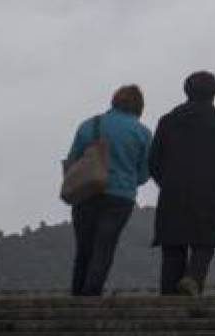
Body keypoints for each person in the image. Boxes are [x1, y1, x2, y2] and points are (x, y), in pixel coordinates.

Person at [148, 70, 215, 295]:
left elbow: (153, 160)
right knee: (205, 242)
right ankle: (193, 277)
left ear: (186, 91)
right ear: (214, 93)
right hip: (210, 193)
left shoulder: (168, 120)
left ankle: (168, 300)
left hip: (173, 192)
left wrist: (167, 182)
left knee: (173, 248)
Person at [65, 84, 152, 297]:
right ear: (139, 108)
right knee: (105, 245)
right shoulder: (142, 133)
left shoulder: (89, 125)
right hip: (120, 198)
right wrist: (130, 181)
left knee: (84, 247)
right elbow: (146, 170)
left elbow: (73, 159)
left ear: (114, 101)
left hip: (86, 193)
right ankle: (92, 292)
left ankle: (77, 294)